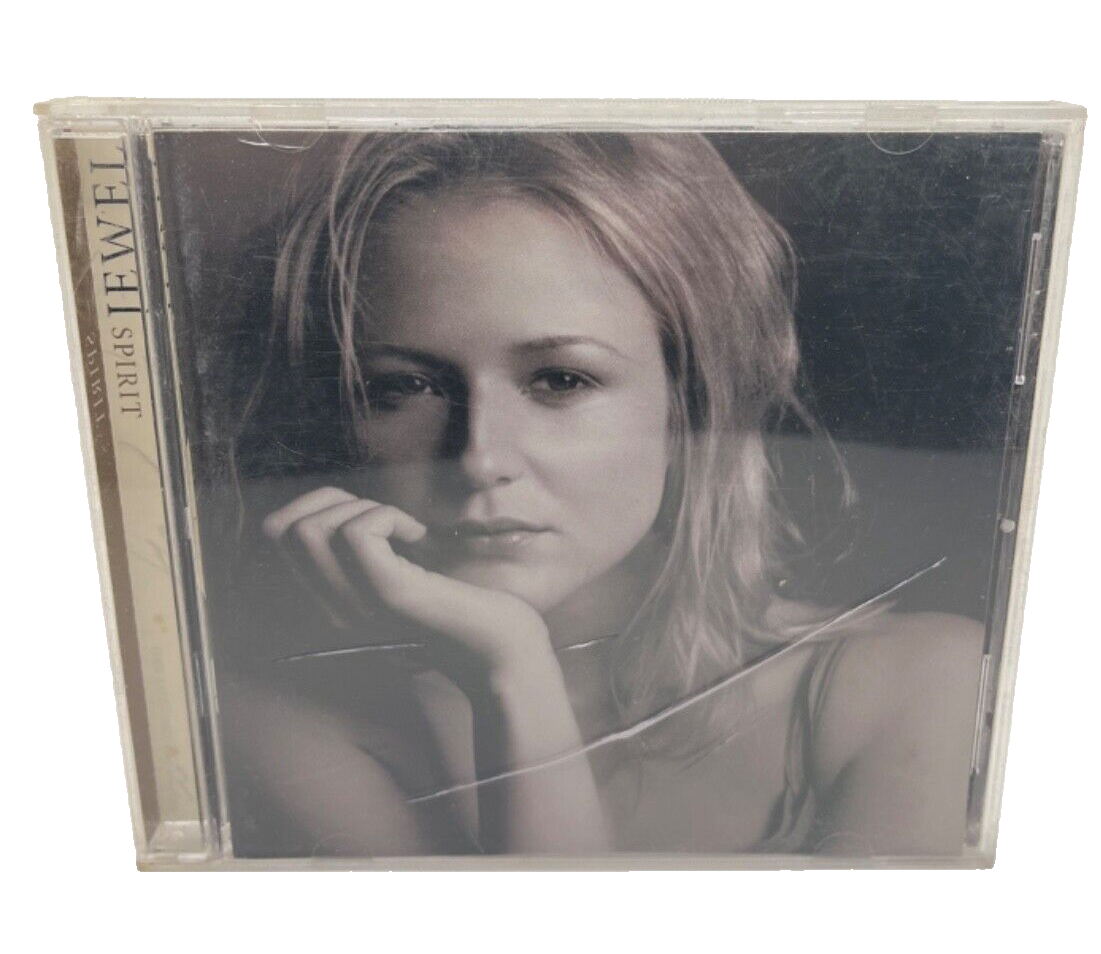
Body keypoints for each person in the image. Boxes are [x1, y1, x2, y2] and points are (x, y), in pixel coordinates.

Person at [220, 132, 983, 857]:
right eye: (406, 386)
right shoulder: (286, 725)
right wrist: (510, 669)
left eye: (560, 380)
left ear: (691, 401)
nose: (480, 458)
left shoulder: (913, 681)